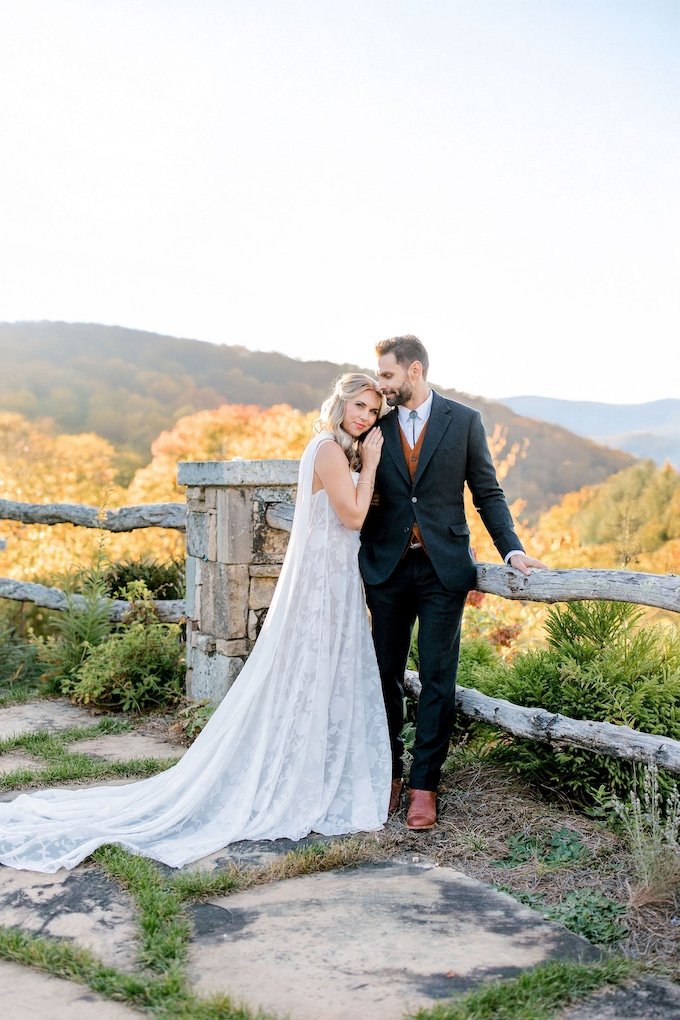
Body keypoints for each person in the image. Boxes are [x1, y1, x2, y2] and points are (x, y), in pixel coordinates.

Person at [0, 374, 392, 873]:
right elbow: (354, 516)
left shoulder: (328, 447)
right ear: (339, 403)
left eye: (373, 411)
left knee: (312, 677)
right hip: (323, 585)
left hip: (328, 580)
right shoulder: (333, 453)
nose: (364, 416)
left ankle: (306, 772)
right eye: (358, 405)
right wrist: (374, 464)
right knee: (313, 675)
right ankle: (300, 779)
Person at [359, 335, 547, 831]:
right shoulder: (374, 425)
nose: (381, 384)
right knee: (383, 674)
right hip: (388, 569)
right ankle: (388, 775)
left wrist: (512, 548)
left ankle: (424, 786)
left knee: (439, 678)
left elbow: (487, 491)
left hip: (443, 571)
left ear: (414, 370)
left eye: (387, 375)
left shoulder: (463, 421)